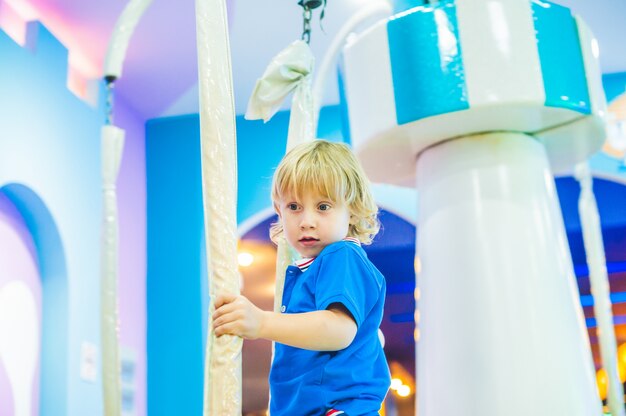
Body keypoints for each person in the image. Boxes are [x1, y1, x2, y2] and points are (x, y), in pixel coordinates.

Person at [213, 140, 391, 415]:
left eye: (323, 207)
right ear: (279, 210)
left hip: (337, 409)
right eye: (294, 206)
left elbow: (339, 330)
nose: (307, 220)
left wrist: (261, 322)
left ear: (352, 209)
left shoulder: (342, 255)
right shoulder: (310, 269)